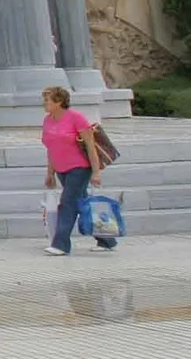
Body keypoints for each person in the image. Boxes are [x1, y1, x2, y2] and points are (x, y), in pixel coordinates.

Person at [42, 85, 116, 256]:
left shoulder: (76, 118)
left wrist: (96, 172)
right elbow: (51, 148)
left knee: (67, 203)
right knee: (82, 204)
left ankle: (60, 244)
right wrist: (50, 172)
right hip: (61, 169)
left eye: (47, 100)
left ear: (59, 102)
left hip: (79, 168)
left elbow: (91, 147)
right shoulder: (47, 120)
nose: (44, 103)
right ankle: (106, 240)